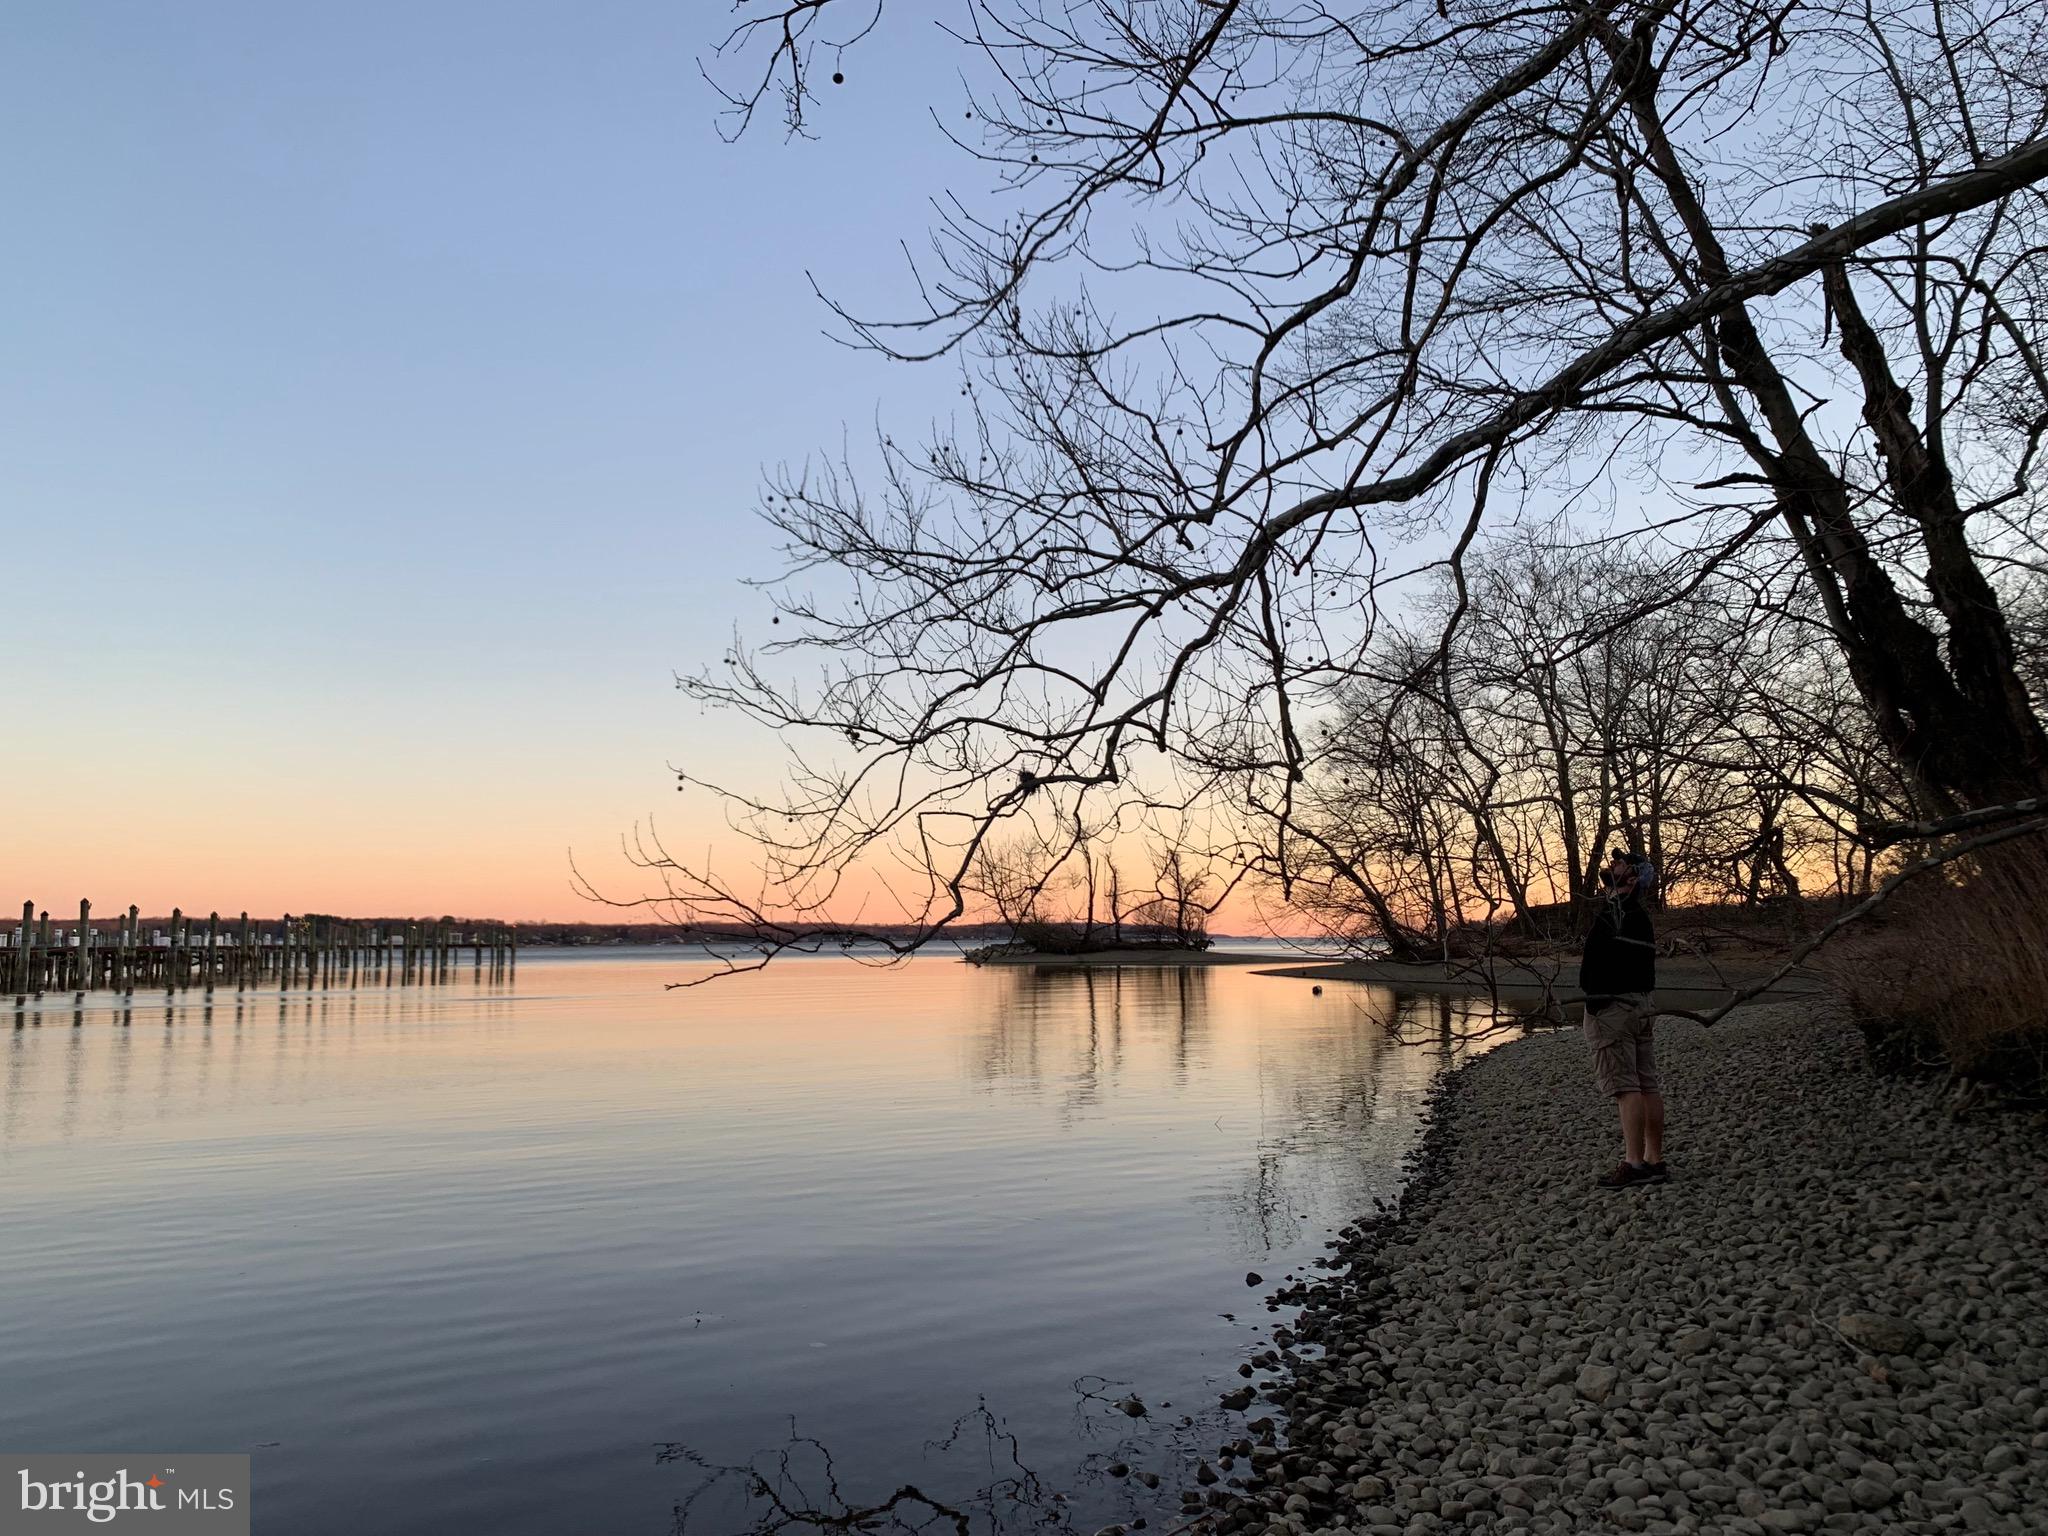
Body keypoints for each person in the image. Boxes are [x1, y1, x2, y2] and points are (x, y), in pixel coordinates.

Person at [1581, 848, 1666, 1188]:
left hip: (1615, 1010)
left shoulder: (1619, 913)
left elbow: (1601, 964)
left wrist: (1597, 1004)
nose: (1611, 864)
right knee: (1647, 1083)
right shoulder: (1637, 915)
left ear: (1632, 878)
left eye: (1620, 864)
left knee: (1627, 1087)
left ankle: (1634, 1164)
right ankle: (1654, 1160)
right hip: (1641, 1006)